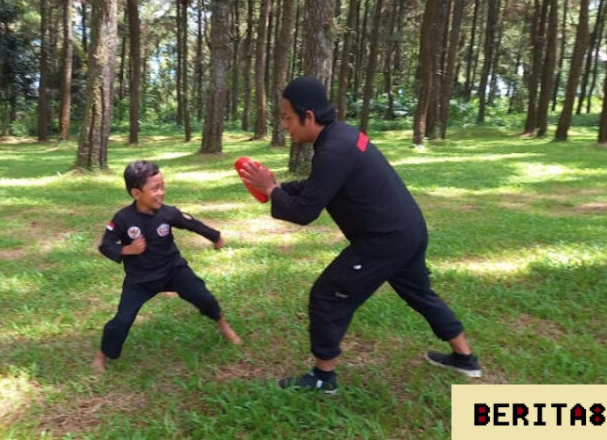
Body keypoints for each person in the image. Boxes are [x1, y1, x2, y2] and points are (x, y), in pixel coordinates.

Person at [239, 76, 481, 393]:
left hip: (385, 240)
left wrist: (271, 190)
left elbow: (304, 212)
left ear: (308, 116)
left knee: (327, 295)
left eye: (287, 117)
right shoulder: (342, 136)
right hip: (408, 230)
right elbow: (320, 187)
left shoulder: (333, 150)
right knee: (419, 293)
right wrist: (280, 188)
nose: (285, 125)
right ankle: (465, 358)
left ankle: (323, 378)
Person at [91, 161, 241, 373]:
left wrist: (215, 237)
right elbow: (105, 245)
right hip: (140, 279)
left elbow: (192, 223)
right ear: (136, 193)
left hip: (173, 270)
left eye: (162, 186)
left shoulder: (167, 213)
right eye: (154, 189)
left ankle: (224, 327)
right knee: (122, 319)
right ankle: (101, 356)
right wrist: (128, 250)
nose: (161, 193)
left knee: (203, 296)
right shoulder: (123, 219)